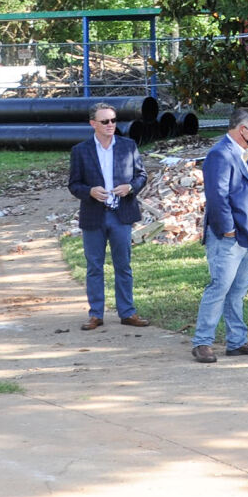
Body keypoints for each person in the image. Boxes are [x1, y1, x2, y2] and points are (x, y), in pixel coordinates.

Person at [192, 106, 248, 363]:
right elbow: (217, 196)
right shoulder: (220, 154)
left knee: (237, 290)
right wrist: (228, 229)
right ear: (242, 129)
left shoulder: (243, 152)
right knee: (219, 287)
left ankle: (237, 341)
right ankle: (202, 342)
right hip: (229, 236)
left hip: (247, 233)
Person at [67, 102, 151, 330]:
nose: (110, 125)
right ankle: (96, 314)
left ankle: (127, 312)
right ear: (93, 124)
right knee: (94, 266)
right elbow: (73, 184)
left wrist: (130, 187)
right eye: (105, 121)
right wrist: (89, 191)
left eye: (113, 120)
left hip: (121, 214)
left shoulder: (128, 146)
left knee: (123, 265)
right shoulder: (80, 151)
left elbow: (142, 175)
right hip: (94, 215)